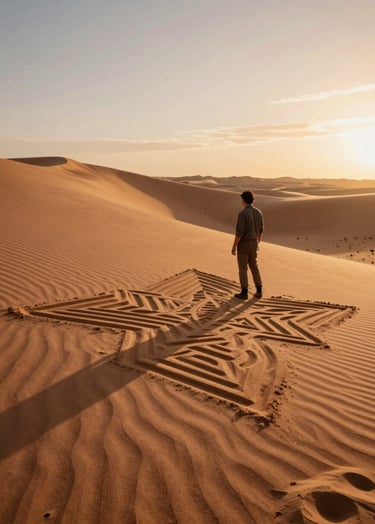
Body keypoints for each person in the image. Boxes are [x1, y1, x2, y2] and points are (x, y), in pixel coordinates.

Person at [231, 191, 263, 299]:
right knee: (254, 266)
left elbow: (239, 233)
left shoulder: (243, 214)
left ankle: (244, 292)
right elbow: (260, 231)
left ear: (244, 200)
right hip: (254, 243)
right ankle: (259, 290)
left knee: (243, 268)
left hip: (244, 244)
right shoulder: (259, 212)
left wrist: (234, 247)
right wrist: (257, 243)